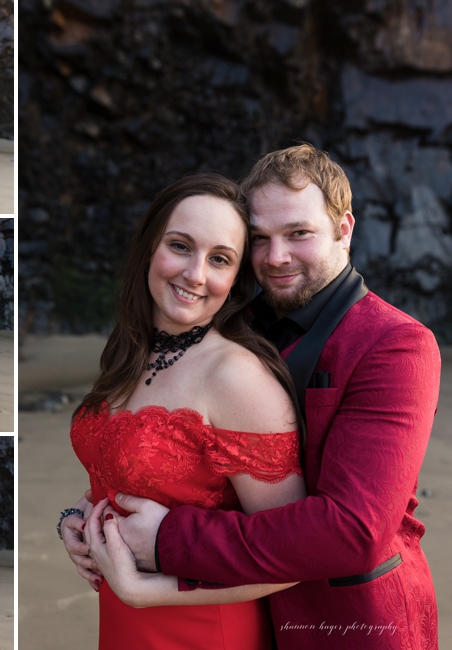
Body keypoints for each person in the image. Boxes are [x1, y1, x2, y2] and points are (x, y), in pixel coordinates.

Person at [64, 145, 441, 649]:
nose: (276, 256)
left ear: (345, 229)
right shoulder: (225, 323)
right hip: (226, 604)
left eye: (298, 233)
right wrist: (83, 518)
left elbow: (353, 530)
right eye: (260, 239)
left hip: (348, 623)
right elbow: (175, 465)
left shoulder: (396, 343)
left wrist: (166, 541)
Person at [66, 173, 310, 648]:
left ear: (236, 279)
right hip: (122, 618)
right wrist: (72, 519)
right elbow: (135, 474)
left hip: (202, 629)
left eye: (219, 259)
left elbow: (293, 555)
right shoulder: (130, 353)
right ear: (149, 247)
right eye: (180, 246)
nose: (196, 274)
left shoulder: (236, 377)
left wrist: (148, 591)